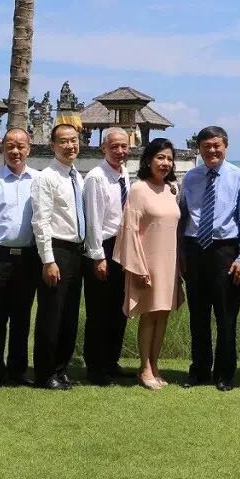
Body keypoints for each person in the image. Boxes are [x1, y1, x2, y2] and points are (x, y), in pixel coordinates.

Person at [179, 125, 240, 391]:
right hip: (195, 250)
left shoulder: (239, 178)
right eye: (206, 146)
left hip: (225, 252)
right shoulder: (190, 178)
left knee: (226, 317)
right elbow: (183, 217)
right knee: (198, 316)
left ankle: (224, 373)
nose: (212, 150)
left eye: (216, 145)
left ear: (225, 146)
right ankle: (199, 370)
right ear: (198, 149)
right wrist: (181, 253)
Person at [114, 137, 183, 390]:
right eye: (160, 157)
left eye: (169, 159)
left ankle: (155, 364)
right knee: (149, 314)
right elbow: (129, 230)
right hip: (147, 264)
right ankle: (144, 368)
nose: (165, 163)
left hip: (170, 263)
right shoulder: (138, 189)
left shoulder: (171, 190)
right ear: (148, 160)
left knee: (163, 314)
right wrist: (138, 267)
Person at [0, 128, 40, 391]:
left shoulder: (38, 180)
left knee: (22, 317)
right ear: (2, 148)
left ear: (29, 149)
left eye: (20, 146)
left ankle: (17, 370)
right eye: (10, 146)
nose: (15, 151)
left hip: (29, 257)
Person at [31, 124, 86, 390]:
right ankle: (45, 373)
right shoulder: (47, 177)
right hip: (57, 250)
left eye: (73, 140)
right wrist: (48, 260)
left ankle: (61, 368)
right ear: (52, 145)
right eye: (63, 141)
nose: (69, 146)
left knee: (69, 315)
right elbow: (40, 221)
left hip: (76, 251)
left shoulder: (77, 176)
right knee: (51, 315)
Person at [81, 128, 132, 385]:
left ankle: (111, 361)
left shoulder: (125, 174)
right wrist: (98, 257)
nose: (120, 151)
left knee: (119, 310)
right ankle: (96, 367)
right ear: (103, 148)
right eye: (114, 147)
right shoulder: (96, 177)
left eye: (124, 146)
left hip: (123, 246)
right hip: (102, 247)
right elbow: (93, 221)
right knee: (99, 311)